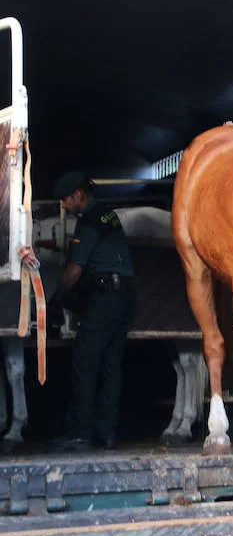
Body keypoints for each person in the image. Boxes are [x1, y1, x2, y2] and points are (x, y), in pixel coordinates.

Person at [48, 172, 135, 451]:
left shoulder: (88, 222)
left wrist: (56, 298)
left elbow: (74, 270)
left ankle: (79, 433)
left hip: (105, 298)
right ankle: (106, 432)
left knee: (85, 363)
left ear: (77, 195)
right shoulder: (109, 215)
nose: (63, 205)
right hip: (125, 297)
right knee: (112, 366)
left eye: (65, 199)